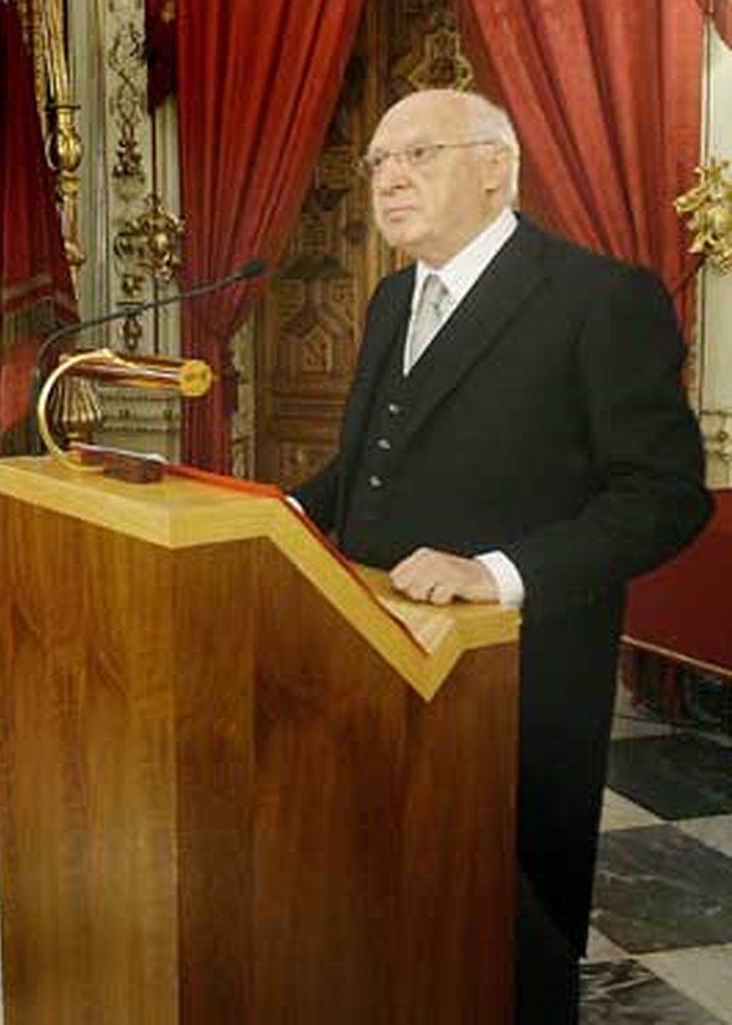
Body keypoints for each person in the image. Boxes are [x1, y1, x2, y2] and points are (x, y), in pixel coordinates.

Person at [292, 89, 711, 1024]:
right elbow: (364, 469)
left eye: (417, 155)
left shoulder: (598, 298)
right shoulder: (392, 296)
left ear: (494, 164)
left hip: (517, 680)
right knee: (389, 921)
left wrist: (498, 573)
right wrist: (269, 515)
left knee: (504, 950)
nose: (387, 179)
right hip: (374, 659)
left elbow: (665, 496)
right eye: (376, 164)